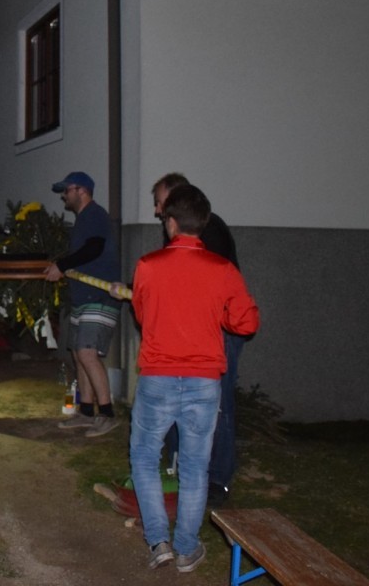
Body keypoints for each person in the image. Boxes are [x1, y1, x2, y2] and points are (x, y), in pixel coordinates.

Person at [128, 184, 260, 572]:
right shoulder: (223, 270)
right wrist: (218, 314)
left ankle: (159, 542)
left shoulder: (148, 265)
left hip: (158, 378)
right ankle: (186, 548)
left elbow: (142, 314)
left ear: (170, 223)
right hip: (204, 382)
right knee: (195, 467)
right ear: (202, 223)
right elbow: (247, 322)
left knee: (144, 457)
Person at [151, 172, 244, 507]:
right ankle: (180, 470)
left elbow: (208, 285)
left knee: (218, 406)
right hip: (192, 332)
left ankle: (217, 480)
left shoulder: (210, 229)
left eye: (159, 203)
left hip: (219, 331)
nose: (156, 211)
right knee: (181, 400)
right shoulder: (175, 234)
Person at [44, 171, 122, 438]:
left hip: (99, 297)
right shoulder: (83, 220)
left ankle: (107, 414)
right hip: (83, 297)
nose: (64, 196)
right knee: (79, 355)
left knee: (87, 354)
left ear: (82, 191)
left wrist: (62, 265)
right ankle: (86, 412)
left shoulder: (95, 215)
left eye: (67, 190)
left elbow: (94, 248)